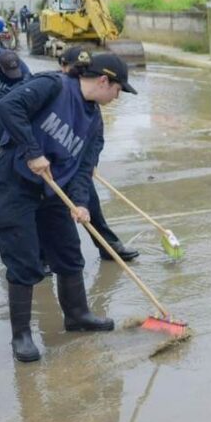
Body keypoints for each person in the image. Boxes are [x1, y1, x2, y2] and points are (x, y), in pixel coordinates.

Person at [0, 53, 137, 362]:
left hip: (53, 195)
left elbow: (84, 168)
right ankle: (22, 336)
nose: (117, 96)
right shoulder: (53, 86)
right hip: (16, 186)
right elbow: (7, 107)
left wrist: (81, 203)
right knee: (24, 262)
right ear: (104, 81)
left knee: (69, 254)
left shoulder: (94, 122)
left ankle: (78, 315)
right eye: (119, 89)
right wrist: (32, 151)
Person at [57, 46, 140, 262]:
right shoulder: (55, 89)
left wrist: (89, 161)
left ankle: (108, 246)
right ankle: (41, 257)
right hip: (46, 169)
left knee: (87, 200)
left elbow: (96, 140)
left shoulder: (92, 108)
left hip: (74, 166)